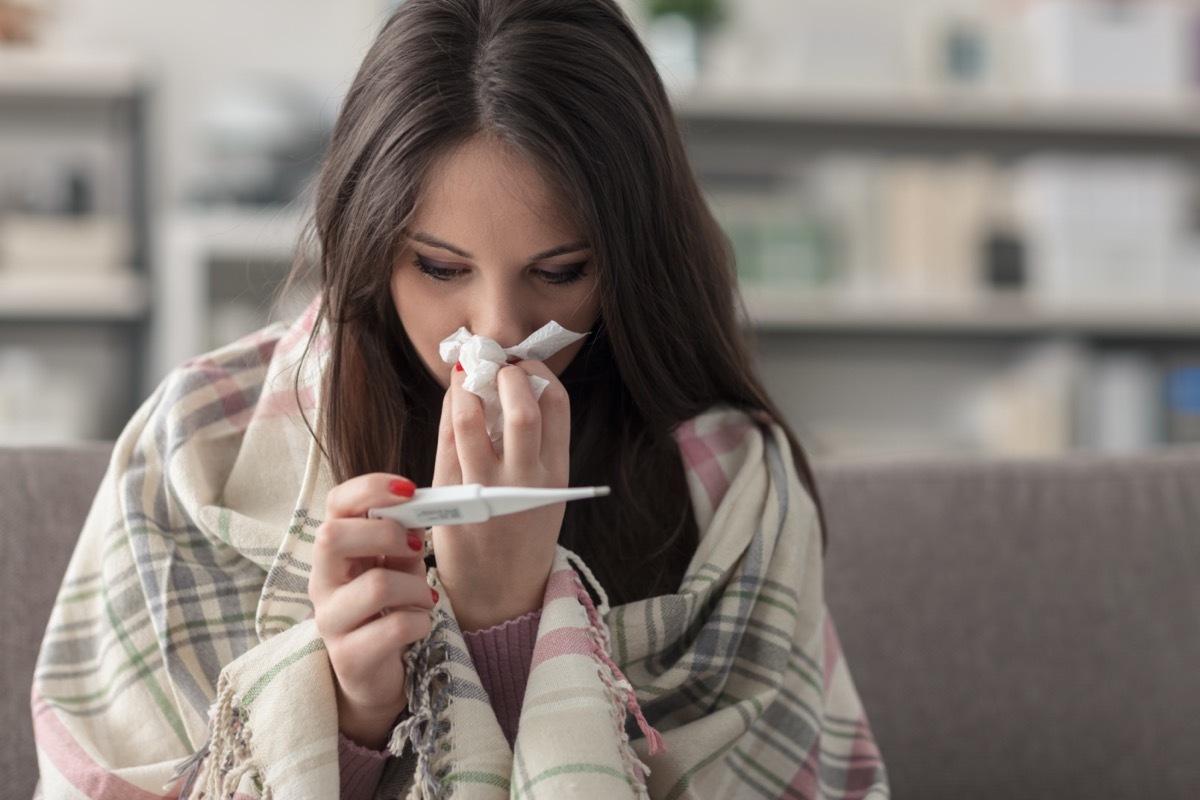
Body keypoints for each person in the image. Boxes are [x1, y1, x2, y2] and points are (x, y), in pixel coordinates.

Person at [31, 0, 888, 797]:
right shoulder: (195, 449)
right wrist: (350, 711)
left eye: (560, 272)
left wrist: (506, 626)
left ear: (630, 258)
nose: (497, 330)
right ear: (368, 244)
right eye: (439, 268)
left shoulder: (735, 489)